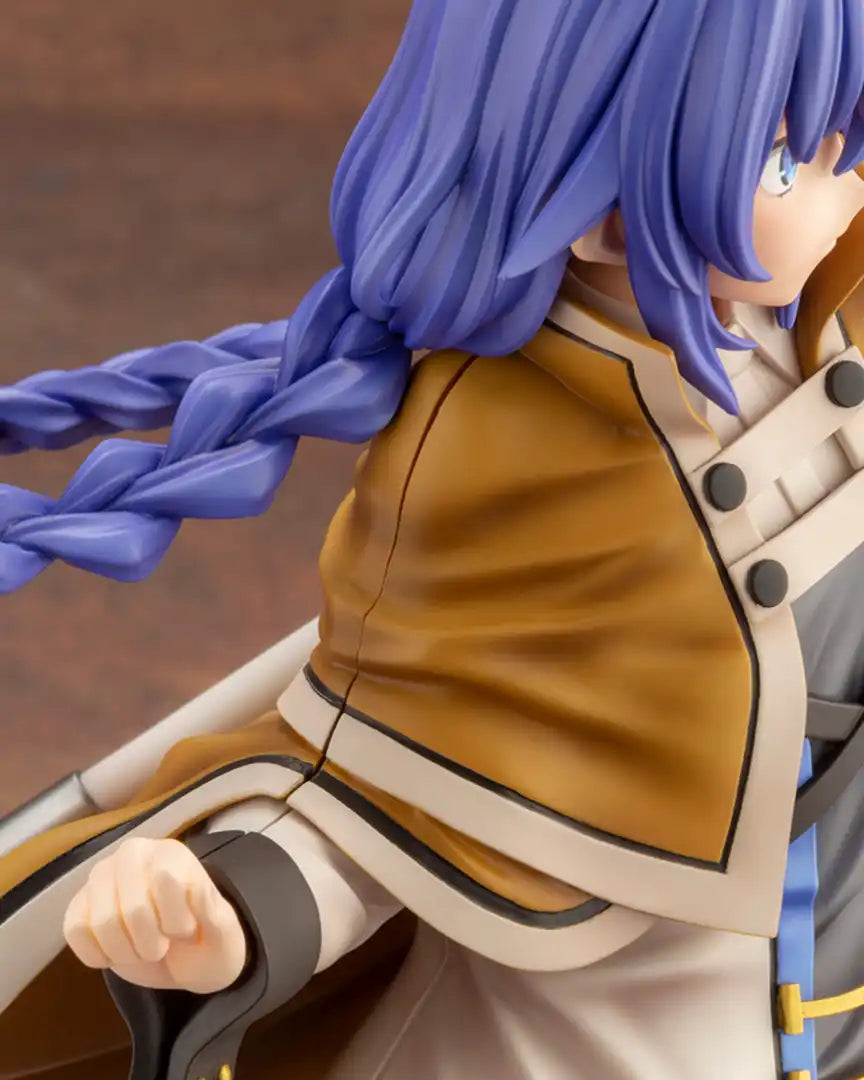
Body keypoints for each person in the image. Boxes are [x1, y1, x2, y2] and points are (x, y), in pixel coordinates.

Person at [3, 1, 864, 1077]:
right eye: (785, 159)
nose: (847, 182)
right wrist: (226, 908)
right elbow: (378, 784)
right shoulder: (494, 456)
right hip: (599, 1037)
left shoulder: (820, 320)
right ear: (599, 210)